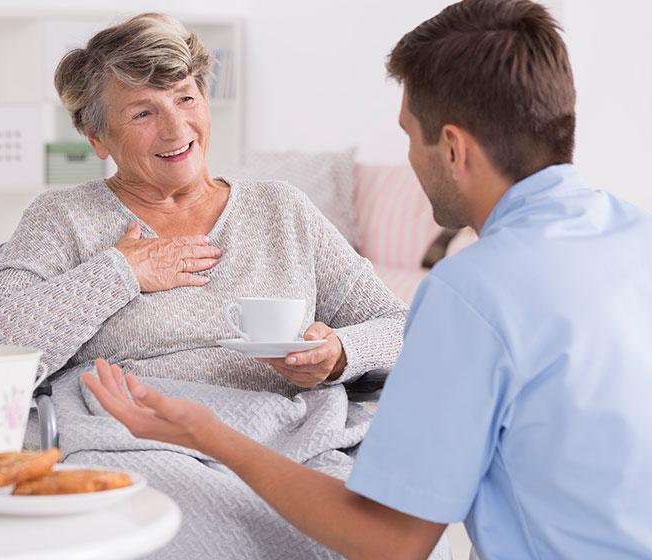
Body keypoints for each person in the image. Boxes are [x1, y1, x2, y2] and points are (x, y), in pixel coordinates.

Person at [83, 1, 652, 559]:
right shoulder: (639, 239)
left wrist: (208, 434)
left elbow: (392, 542)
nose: (409, 157)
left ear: (452, 148)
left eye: (409, 134)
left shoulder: (471, 293)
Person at [0, 13, 451, 560]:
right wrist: (121, 272)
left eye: (185, 98)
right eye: (144, 112)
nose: (176, 129)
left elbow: (405, 329)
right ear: (96, 135)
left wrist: (339, 354)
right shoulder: (64, 218)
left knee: (377, 537)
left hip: (292, 438)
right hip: (141, 440)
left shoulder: (280, 209)